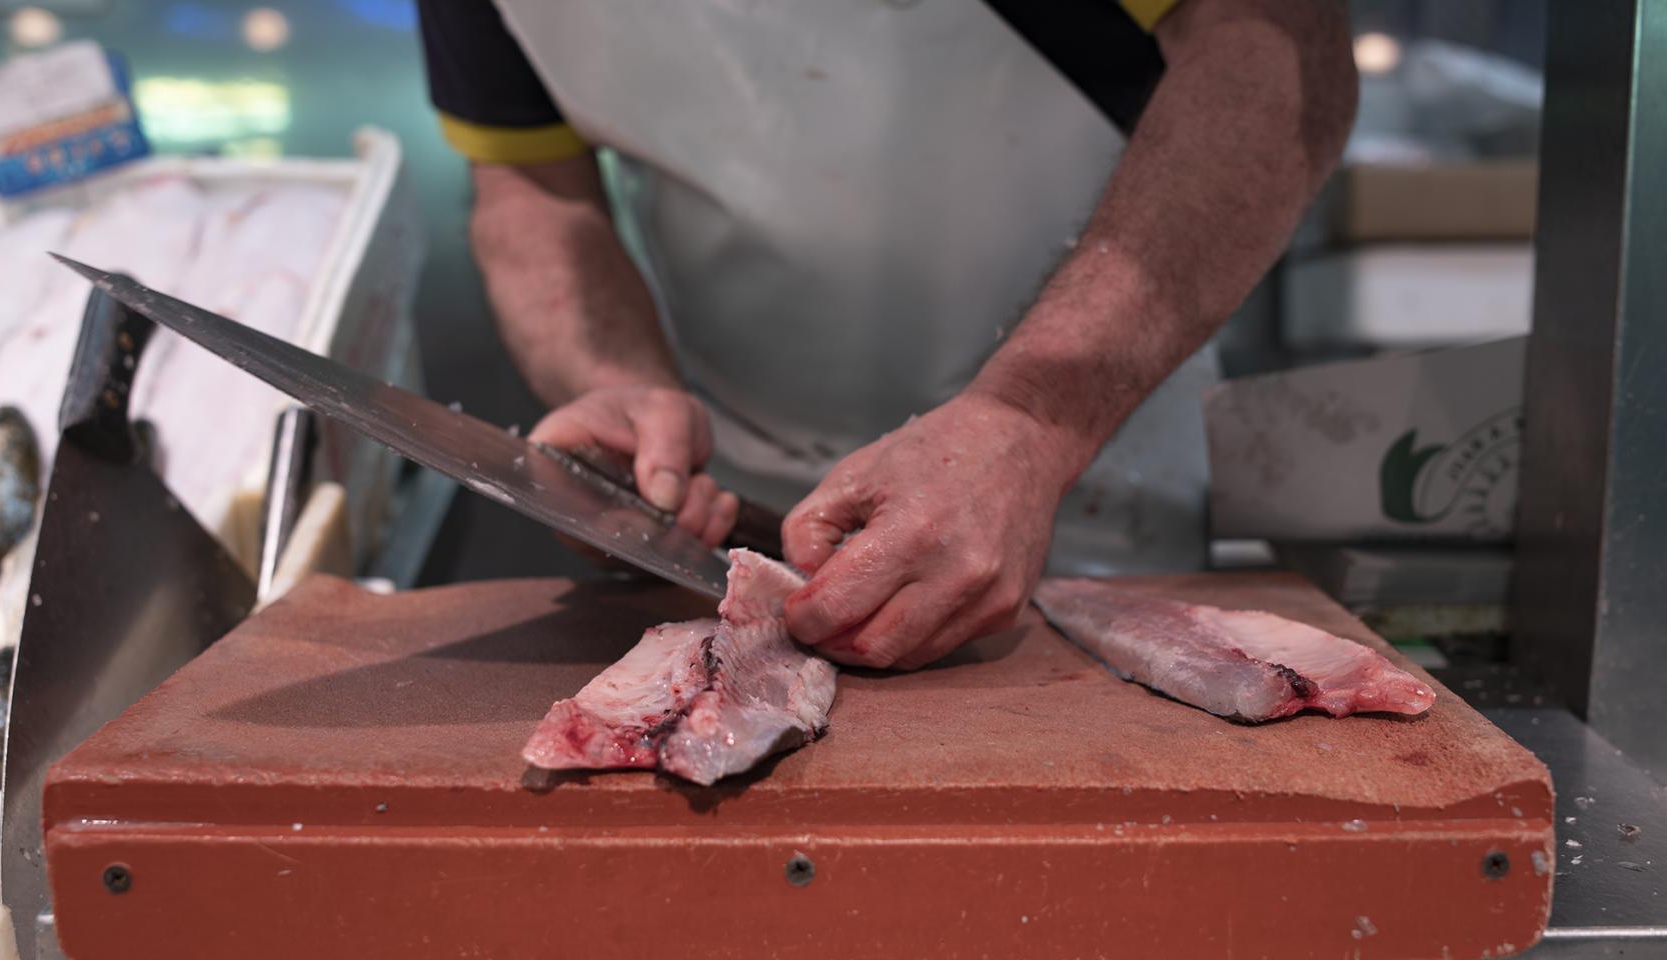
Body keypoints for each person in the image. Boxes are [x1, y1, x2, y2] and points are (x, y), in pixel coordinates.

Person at [415, 0, 1356, 670]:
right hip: (728, 522)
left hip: (1095, 494)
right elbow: (531, 187)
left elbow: (1276, 54)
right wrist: (615, 378)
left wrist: (1032, 424)